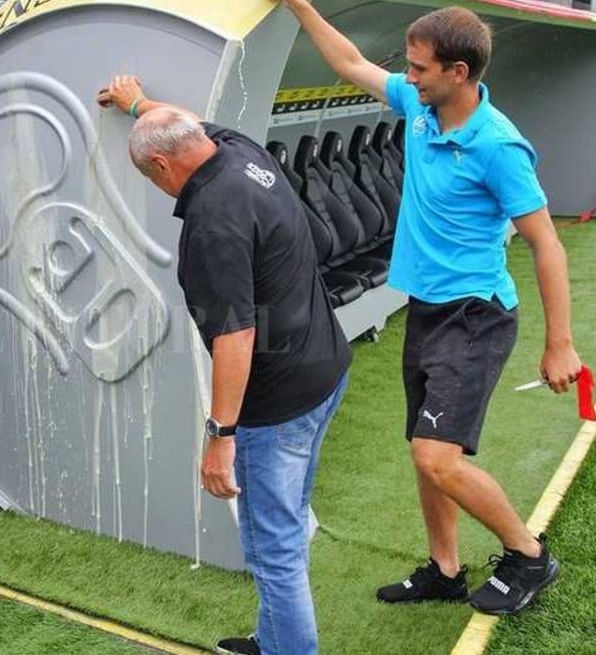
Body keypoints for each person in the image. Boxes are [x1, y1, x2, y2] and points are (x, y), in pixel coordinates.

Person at [281, 0, 584, 616]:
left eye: (420, 68)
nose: (409, 77)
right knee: (426, 448)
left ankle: (529, 555)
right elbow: (347, 62)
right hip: (427, 309)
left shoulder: (499, 146)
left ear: (459, 72)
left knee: (434, 455)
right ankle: (445, 569)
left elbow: (546, 243)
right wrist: (299, 4)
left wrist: (560, 343)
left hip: (475, 315)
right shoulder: (421, 110)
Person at [97, 76, 352, 655]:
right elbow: (183, 116)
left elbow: (236, 336)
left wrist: (221, 435)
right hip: (324, 370)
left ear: (162, 167)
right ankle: (271, 639)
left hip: (277, 403)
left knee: (272, 547)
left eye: (150, 177)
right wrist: (137, 104)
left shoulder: (212, 224)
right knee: (284, 523)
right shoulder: (238, 150)